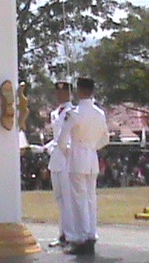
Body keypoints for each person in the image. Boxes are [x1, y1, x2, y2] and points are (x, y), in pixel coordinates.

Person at [58, 77, 110, 255]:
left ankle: (81, 238)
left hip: (77, 156)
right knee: (90, 197)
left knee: (79, 199)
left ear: (79, 91)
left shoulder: (74, 113)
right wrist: (92, 146)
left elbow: (61, 141)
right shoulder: (99, 113)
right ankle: (91, 234)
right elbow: (105, 138)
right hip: (91, 157)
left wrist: (69, 152)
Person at [44, 80, 75, 247]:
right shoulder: (55, 113)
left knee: (68, 198)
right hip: (56, 158)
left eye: (63, 93)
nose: (60, 95)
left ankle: (71, 235)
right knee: (59, 198)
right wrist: (45, 147)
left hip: (67, 158)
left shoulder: (72, 111)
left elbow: (69, 137)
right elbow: (56, 138)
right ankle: (62, 233)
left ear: (70, 94)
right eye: (58, 93)